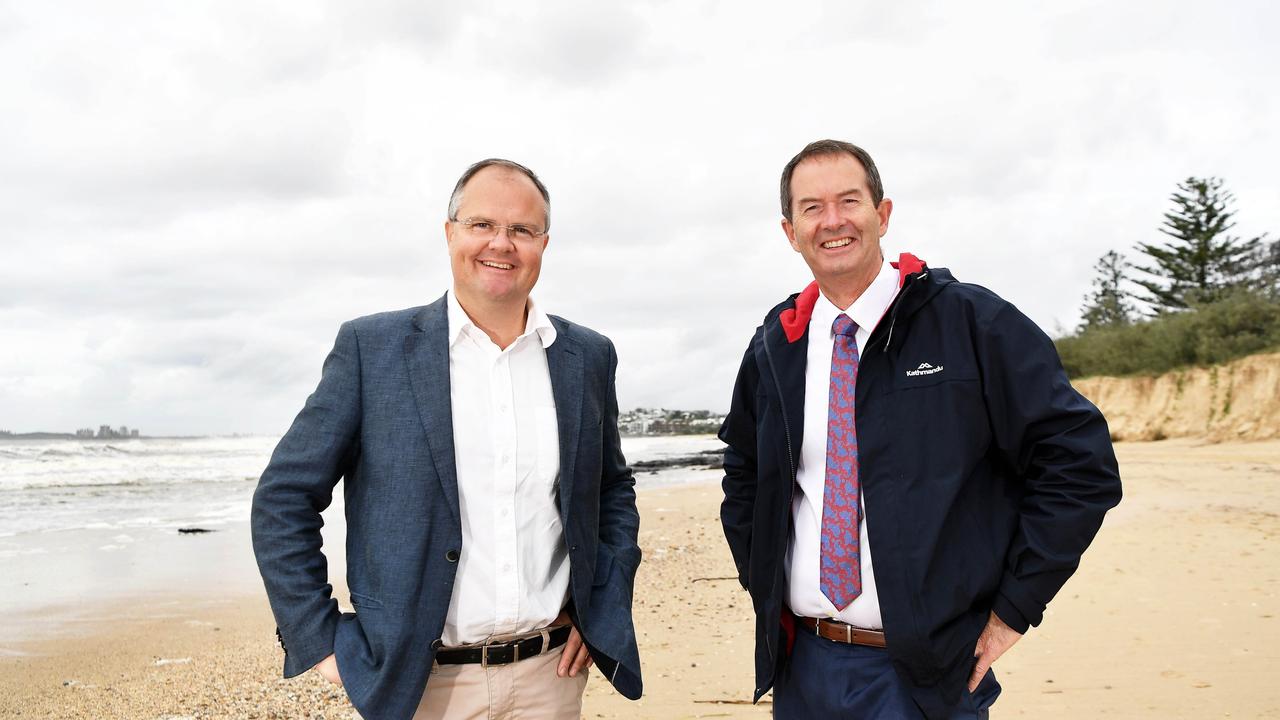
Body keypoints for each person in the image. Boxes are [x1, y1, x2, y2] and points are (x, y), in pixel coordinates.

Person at [718, 139, 1121, 718]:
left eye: (849, 201)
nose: (832, 221)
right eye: (811, 208)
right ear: (790, 230)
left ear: (882, 215)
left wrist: (1015, 607)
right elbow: (744, 474)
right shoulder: (776, 344)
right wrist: (763, 583)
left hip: (926, 676)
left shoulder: (971, 323)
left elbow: (1080, 464)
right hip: (804, 666)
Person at [251, 158, 642, 720]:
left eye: (522, 230)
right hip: (421, 686)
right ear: (450, 233)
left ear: (544, 244)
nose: (501, 244)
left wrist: (604, 600)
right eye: (482, 224)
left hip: (549, 679)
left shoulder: (586, 357)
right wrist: (318, 637)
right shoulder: (373, 349)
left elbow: (610, 489)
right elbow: (284, 496)